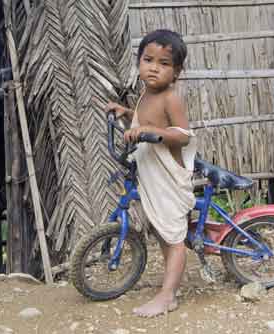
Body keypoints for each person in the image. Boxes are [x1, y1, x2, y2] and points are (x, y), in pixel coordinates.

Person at [105, 29, 196, 317]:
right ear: (139, 62)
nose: (154, 67)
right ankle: (169, 287)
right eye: (148, 59)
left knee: (174, 237)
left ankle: (167, 296)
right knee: (162, 232)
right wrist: (125, 112)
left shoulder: (171, 99)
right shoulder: (146, 94)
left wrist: (149, 130)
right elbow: (144, 119)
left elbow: (182, 135)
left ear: (176, 72)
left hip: (168, 179)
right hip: (150, 174)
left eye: (164, 63)